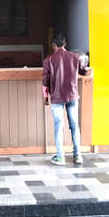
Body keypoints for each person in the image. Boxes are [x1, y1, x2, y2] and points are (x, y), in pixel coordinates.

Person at [42, 33, 91, 166]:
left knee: (59, 126)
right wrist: (89, 70)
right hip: (72, 95)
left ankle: (60, 157)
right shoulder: (75, 57)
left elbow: (45, 82)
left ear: (53, 46)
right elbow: (83, 71)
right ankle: (78, 156)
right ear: (65, 44)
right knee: (74, 126)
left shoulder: (48, 60)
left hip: (57, 98)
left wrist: (46, 98)